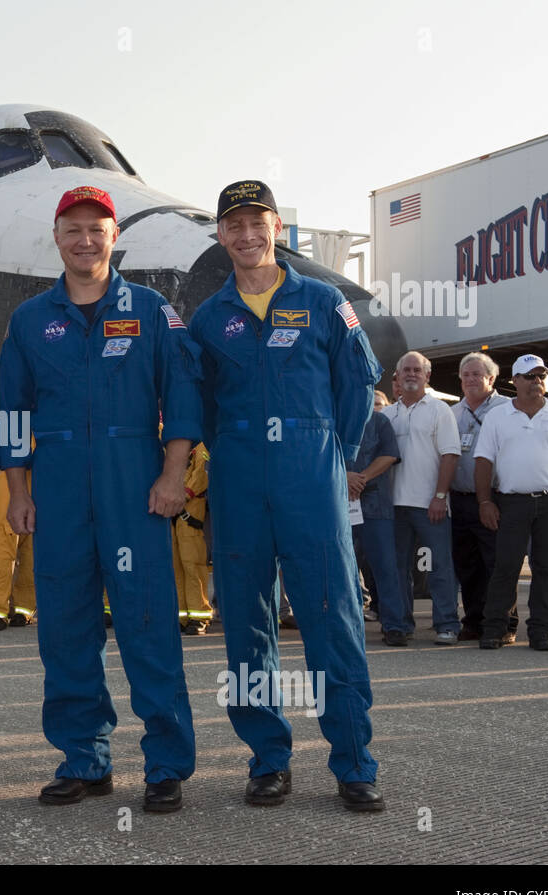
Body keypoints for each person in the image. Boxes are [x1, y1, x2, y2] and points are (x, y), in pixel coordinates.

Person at [1, 185, 200, 814]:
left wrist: (172, 476)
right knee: (64, 628)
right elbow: (10, 416)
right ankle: (83, 759)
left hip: (132, 482)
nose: (85, 240)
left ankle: (166, 763)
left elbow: (185, 400)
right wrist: (18, 493)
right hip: (57, 486)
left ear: (114, 238)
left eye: (97, 229)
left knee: (146, 623)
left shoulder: (151, 310)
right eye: (73, 229)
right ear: (57, 238)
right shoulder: (31, 319)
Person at [190, 179, 384, 812]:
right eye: (233, 225)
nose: (246, 235)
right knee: (246, 626)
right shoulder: (209, 317)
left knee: (333, 617)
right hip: (240, 478)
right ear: (221, 236)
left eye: (257, 222)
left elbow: (358, 382)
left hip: (311, 476)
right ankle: (268, 760)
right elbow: (201, 400)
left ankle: (354, 763)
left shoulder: (324, 302)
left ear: (277, 228)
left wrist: (334, 453)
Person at [474, 355, 548, 650]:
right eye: (529, 376)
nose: (536, 381)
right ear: (515, 381)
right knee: (506, 566)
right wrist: (485, 502)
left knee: (546, 567)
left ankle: (540, 631)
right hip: (511, 502)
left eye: (541, 376)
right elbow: (483, 462)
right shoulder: (497, 417)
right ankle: (495, 628)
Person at [381, 351, 462, 645]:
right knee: (397, 568)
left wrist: (440, 496)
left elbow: (450, 455)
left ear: (427, 376)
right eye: (406, 370)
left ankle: (447, 624)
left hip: (431, 504)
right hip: (392, 507)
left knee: (440, 566)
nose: (411, 374)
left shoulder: (440, 410)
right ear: (398, 377)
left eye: (417, 370)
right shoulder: (387, 414)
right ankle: (400, 625)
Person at [449, 353, 512, 642]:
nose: (471, 379)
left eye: (477, 374)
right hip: (460, 500)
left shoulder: (507, 409)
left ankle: (504, 623)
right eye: (466, 375)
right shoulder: (452, 412)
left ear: (491, 378)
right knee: (467, 565)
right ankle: (474, 621)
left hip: (494, 499)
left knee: (497, 564)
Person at [349, 388, 401, 640]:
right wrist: (344, 478)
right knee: (340, 567)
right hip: (339, 504)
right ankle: (344, 624)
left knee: (385, 566)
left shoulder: (380, 421)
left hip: (375, 504)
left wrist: (360, 479)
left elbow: (390, 455)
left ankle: (394, 625)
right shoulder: (334, 419)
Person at [0, 470, 36, 631]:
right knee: (1, 543)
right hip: (6, 467)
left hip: (37, 467)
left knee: (31, 546)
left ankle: (24, 608)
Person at [173, 443, 212, 635]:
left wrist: (183, 494)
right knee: (175, 567)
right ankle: (181, 615)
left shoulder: (200, 448)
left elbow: (201, 476)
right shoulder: (165, 442)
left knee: (193, 565)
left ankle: (200, 615)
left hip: (189, 515)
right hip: (170, 514)